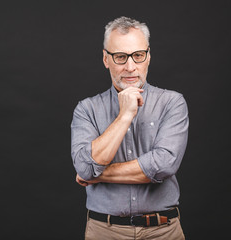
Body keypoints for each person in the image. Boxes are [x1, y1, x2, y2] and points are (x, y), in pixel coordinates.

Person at [71, 16, 188, 240]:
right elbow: (85, 168)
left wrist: (97, 175)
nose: (130, 66)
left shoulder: (172, 103)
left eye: (138, 55)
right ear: (106, 59)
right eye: (120, 57)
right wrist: (125, 115)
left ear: (148, 56)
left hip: (164, 231)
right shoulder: (86, 109)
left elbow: (163, 166)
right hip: (105, 232)